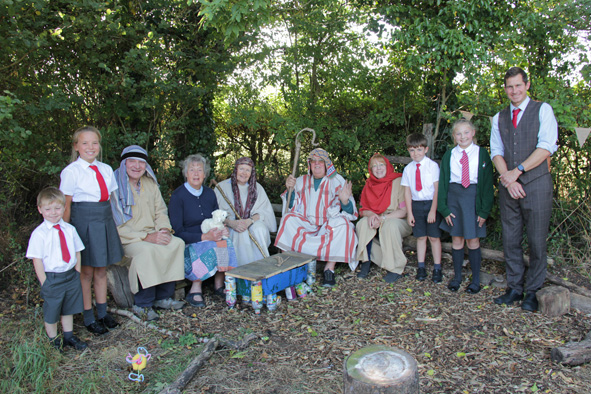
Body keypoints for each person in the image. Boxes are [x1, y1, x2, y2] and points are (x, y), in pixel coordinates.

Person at [490, 67, 558, 312]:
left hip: (537, 183)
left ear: (527, 85)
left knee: (537, 240)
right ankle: (515, 288)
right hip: (510, 186)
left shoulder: (543, 110)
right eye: (509, 86)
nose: (514, 91)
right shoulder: (499, 118)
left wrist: (517, 171)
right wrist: (508, 180)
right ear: (505, 89)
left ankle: (533, 290)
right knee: (511, 239)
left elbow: (546, 147)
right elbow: (496, 152)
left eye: (518, 85)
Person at [60, 126, 123, 335]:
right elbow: (66, 206)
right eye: (85, 143)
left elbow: (111, 202)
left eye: (94, 143)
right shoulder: (71, 172)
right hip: (83, 222)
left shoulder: (105, 169)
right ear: (76, 146)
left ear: (99, 145)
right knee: (86, 271)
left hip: (103, 219)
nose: (90, 147)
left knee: (102, 269)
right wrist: (67, 234)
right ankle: (88, 316)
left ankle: (103, 313)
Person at [111, 145, 185, 321]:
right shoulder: (115, 186)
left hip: (153, 232)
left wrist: (164, 230)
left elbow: (160, 211)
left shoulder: (149, 183)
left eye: (141, 162)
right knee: (147, 251)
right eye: (132, 162)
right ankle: (142, 304)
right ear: (124, 164)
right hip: (128, 239)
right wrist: (146, 237)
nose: (137, 166)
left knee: (175, 243)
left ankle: (163, 297)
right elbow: (117, 224)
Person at [275, 148, 358, 287]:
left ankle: (329, 269)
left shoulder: (337, 180)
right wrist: (290, 190)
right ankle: (290, 264)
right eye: (313, 161)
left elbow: (350, 212)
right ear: (309, 164)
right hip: (306, 224)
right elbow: (291, 205)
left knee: (344, 224)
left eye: (321, 161)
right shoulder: (300, 181)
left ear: (327, 165)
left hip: (327, 225)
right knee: (288, 219)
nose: (317, 164)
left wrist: (344, 201)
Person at [169, 154, 238, 307]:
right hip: (188, 240)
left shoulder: (209, 193)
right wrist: (204, 236)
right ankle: (195, 288)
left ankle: (219, 284)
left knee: (225, 242)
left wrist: (222, 230)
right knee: (208, 245)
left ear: (205, 174)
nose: (195, 174)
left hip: (210, 235)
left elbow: (217, 219)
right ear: (186, 173)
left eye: (199, 170)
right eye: (191, 170)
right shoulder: (177, 196)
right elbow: (177, 231)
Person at [26, 187, 88, 351]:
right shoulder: (39, 234)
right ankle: (53, 340)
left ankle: (69, 336)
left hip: (70, 275)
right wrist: (44, 282)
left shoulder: (70, 229)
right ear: (40, 210)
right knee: (52, 311)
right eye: (48, 209)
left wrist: (77, 272)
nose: (53, 212)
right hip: (52, 278)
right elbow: (36, 260)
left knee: (68, 308)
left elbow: (77, 251)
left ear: (64, 208)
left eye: (57, 208)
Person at [438, 119, 494, 294]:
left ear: (473, 133)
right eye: (458, 133)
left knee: (473, 239)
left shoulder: (482, 154)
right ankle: (457, 277)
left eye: (466, 132)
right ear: (454, 137)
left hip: (473, 199)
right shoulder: (450, 155)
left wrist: (484, 210)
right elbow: (443, 183)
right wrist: (444, 208)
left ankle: (475, 280)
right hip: (454, 198)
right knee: (457, 239)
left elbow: (487, 185)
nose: (463, 136)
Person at [356, 153, 412, 283]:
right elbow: (363, 210)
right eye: (374, 166)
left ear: (387, 166)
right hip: (376, 216)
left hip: (398, 219)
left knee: (389, 225)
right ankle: (366, 260)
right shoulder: (369, 184)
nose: (378, 168)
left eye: (381, 165)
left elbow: (403, 211)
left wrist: (382, 218)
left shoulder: (398, 181)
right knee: (362, 224)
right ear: (370, 169)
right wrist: (371, 215)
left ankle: (395, 268)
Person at [214, 157, 277, 266]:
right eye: (241, 169)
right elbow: (215, 213)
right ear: (236, 169)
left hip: (252, 222)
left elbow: (264, 212)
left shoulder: (257, 188)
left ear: (251, 173)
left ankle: (262, 266)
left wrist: (249, 221)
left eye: (248, 170)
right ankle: (242, 271)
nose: (244, 173)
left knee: (259, 229)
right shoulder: (222, 187)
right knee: (240, 232)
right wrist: (231, 223)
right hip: (229, 226)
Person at [401, 134, 443, 282]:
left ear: (426, 149)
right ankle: (421, 267)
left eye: (419, 150)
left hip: (431, 203)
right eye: (412, 150)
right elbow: (407, 192)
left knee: (433, 237)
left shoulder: (432, 166)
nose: (416, 153)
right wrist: (410, 213)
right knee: (421, 237)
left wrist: (433, 210)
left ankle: (437, 268)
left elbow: (437, 189)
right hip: (416, 205)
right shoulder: (408, 169)